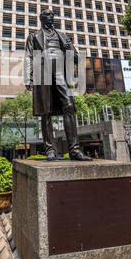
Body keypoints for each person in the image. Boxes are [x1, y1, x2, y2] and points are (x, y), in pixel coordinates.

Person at [25, 9, 91, 162]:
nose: (51, 17)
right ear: (42, 18)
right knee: (46, 111)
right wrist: (27, 77)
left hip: (61, 72)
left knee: (69, 106)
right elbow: (28, 56)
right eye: (48, 15)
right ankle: (50, 150)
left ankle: (74, 150)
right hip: (43, 73)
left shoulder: (62, 35)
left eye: (52, 15)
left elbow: (76, 57)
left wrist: (71, 49)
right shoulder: (34, 36)